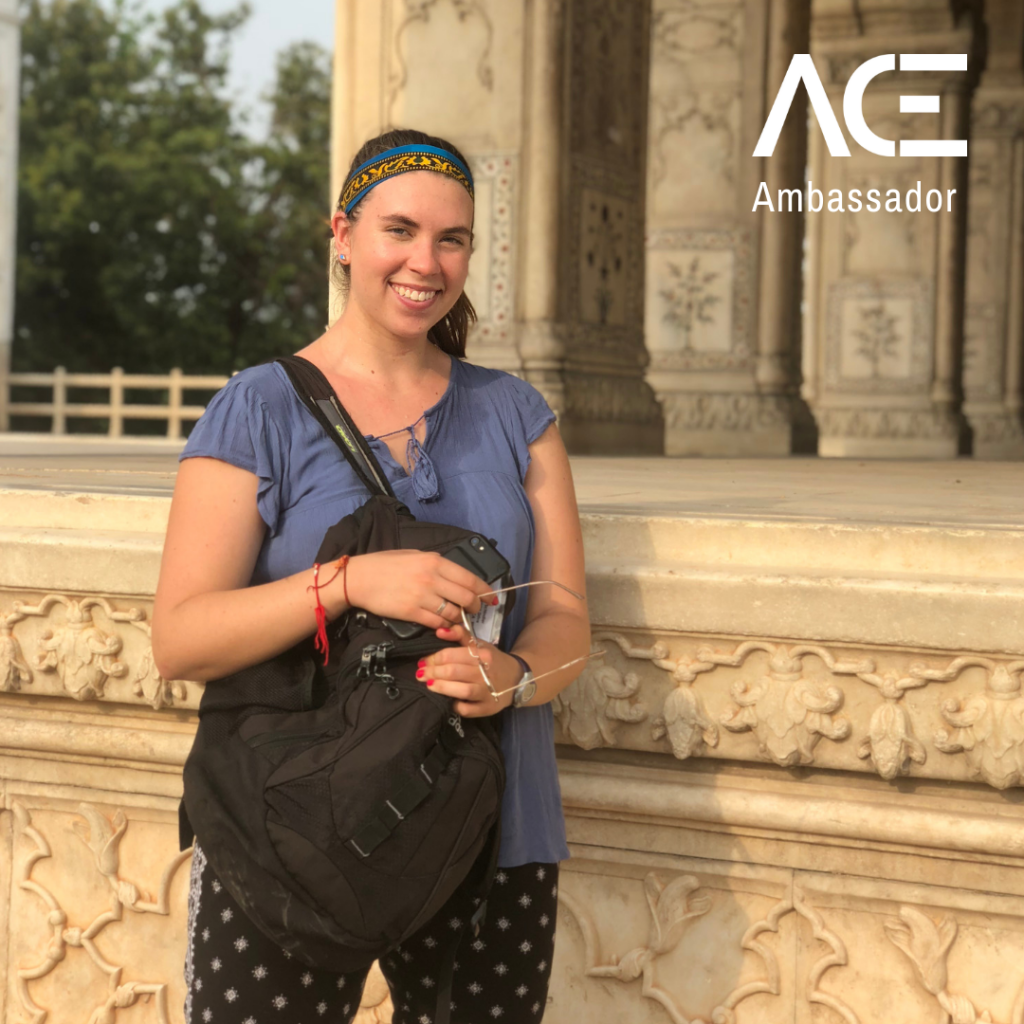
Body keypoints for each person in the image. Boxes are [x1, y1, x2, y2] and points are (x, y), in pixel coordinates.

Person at [151, 127, 590, 1024]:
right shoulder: (260, 407)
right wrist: (347, 582)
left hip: (489, 822)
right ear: (342, 235)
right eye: (400, 230)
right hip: (293, 824)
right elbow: (180, 637)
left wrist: (512, 676)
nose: (425, 261)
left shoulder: (517, 415)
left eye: (452, 238)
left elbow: (566, 618)